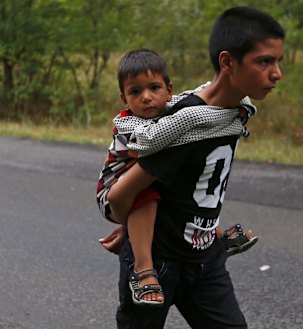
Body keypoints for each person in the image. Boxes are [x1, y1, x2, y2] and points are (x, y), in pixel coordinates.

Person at [106, 6, 284, 328]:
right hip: (158, 264)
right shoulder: (183, 126)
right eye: (264, 62)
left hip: (204, 260)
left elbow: (190, 183)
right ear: (228, 62)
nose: (276, 73)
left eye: (277, 61)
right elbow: (123, 195)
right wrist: (128, 227)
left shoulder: (233, 113)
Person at [96, 49, 258, 307]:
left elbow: (195, 97)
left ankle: (213, 235)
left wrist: (231, 112)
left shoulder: (169, 110)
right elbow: (165, 133)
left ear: (168, 90)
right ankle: (143, 269)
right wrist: (215, 117)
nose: (146, 97)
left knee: (187, 181)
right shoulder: (132, 125)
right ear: (124, 99)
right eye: (135, 92)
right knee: (147, 196)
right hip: (113, 190)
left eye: (154, 88)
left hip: (144, 188)